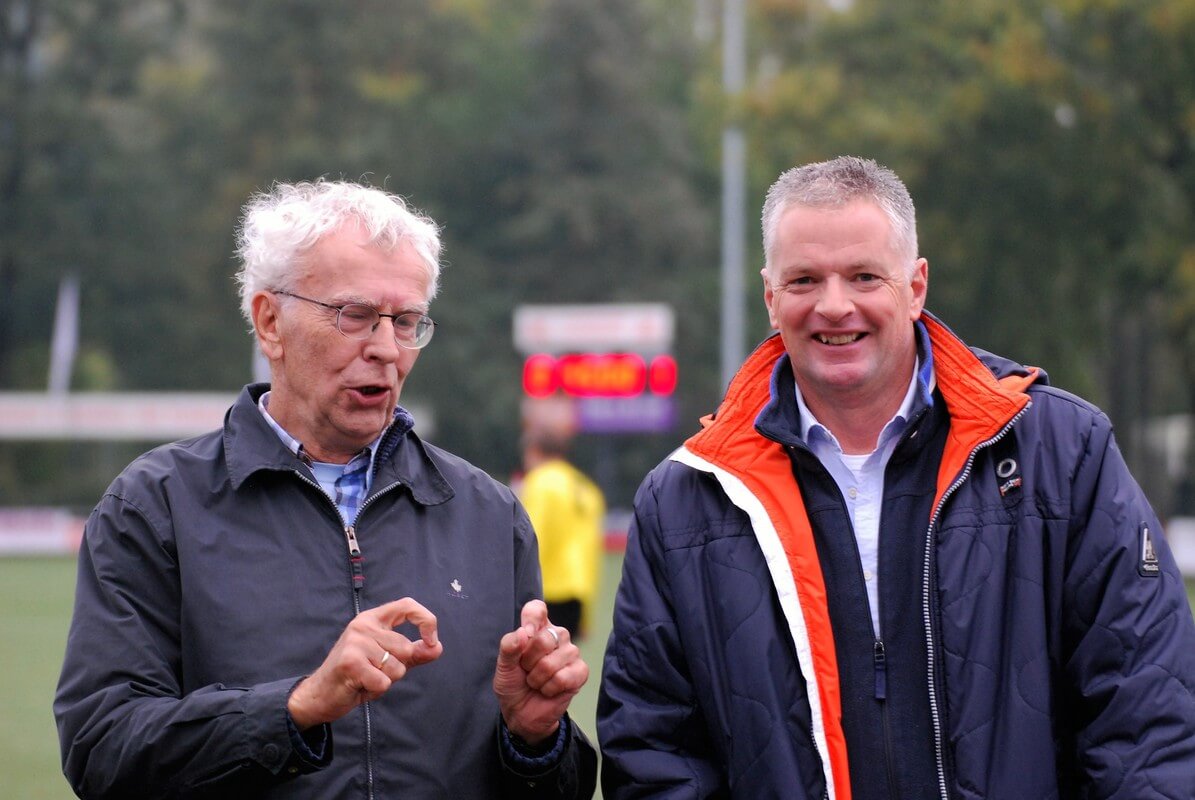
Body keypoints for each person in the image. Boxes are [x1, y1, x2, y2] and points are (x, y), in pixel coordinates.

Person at [597, 156, 1195, 799]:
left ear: (916, 287)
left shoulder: (1063, 453)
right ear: (771, 298)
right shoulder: (685, 500)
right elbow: (656, 756)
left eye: (863, 276)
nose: (834, 305)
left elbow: (1146, 719)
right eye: (804, 280)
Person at [54, 179, 598, 799]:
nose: (387, 349)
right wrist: (299, 707)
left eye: (407, 322)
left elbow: (560, 788)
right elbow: (102, 753)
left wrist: (535, 740)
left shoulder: (488, 514)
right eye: (355, 315)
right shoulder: (155, 508)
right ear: (269, 323)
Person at [518, 429, 606, 640]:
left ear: (534, 451)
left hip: (546, 592)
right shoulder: (586, 488)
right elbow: (591, 552)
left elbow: (531, 540)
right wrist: (586, 615)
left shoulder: (540, 482)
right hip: (578, 593)